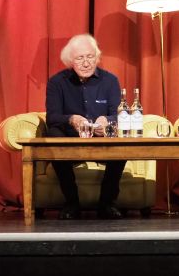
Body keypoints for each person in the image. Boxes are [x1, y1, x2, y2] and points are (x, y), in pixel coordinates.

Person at [45, 34, 125, 220]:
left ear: (97, 58)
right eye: (80, 58)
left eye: (90, 57)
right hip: (70, 138)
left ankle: (107, 203)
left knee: (122, 140)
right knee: (53, 134)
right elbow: (53, 117)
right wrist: (71, 119)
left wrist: (107, 121)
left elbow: (118, 114)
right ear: (69, 61)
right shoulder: (57, 82)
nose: (86, 63)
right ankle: (72, 202)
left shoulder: (110, 81)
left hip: (103, 136)